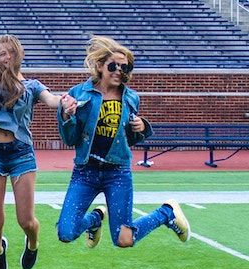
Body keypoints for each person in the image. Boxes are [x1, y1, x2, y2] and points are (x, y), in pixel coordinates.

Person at [56, 36, 190, 253]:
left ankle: (167, 213)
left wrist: (141, 128)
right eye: (113, 66)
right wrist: (66, 115)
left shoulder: (131, 98)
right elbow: (69, 138)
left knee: (124, 240)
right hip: (85, 172)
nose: (119, 71)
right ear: (100, 66)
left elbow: (131, 138)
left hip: (117, 173)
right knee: (66, 233)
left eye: (124, 67)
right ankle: (95, 219)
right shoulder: (78, 93)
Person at [0, 0, 73, 269]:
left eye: (10, 52)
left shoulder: (32, 86)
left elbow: (51, 100)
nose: (6, 57)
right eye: (1, 53)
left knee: (26, 221)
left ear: (18, 54)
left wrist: (65, 102)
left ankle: (33, 242)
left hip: (21, 154)